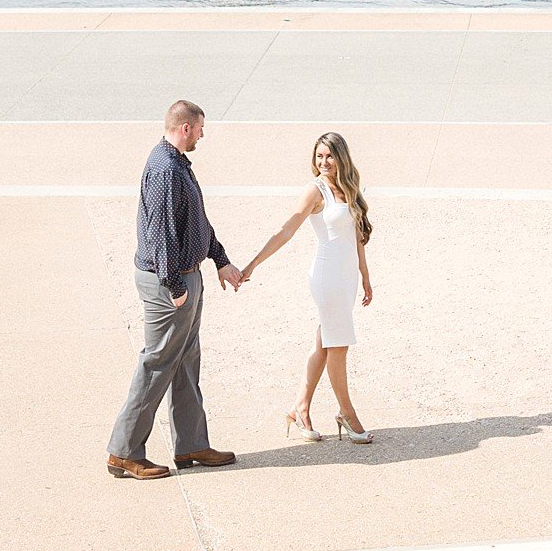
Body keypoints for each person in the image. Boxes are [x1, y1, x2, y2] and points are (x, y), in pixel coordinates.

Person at [105, 99, 243, 479]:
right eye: (200, 128)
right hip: (171, 282)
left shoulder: (177, 162)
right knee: (157, 363)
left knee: (185, 361)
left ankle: (191, 444)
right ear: (185, 128)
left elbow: (195, 221)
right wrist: (173, 284)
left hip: (185, 275)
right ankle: (124, 452)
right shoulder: (166, 168)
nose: (203, 134)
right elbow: (161, 232)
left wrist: (220, 259)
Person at [241, 131, 375, 443]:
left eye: (329, 156)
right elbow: (287, 229)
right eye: (319, 157)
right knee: (338, 345)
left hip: (347, 279)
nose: (324, 162)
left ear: (340, 156)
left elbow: (357, 236)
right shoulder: (315, 191)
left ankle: (300, 407)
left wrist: (365, 275)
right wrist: (253, 264)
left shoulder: (348, 187)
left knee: (324, 344)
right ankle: (347, 413)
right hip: (326, 278)